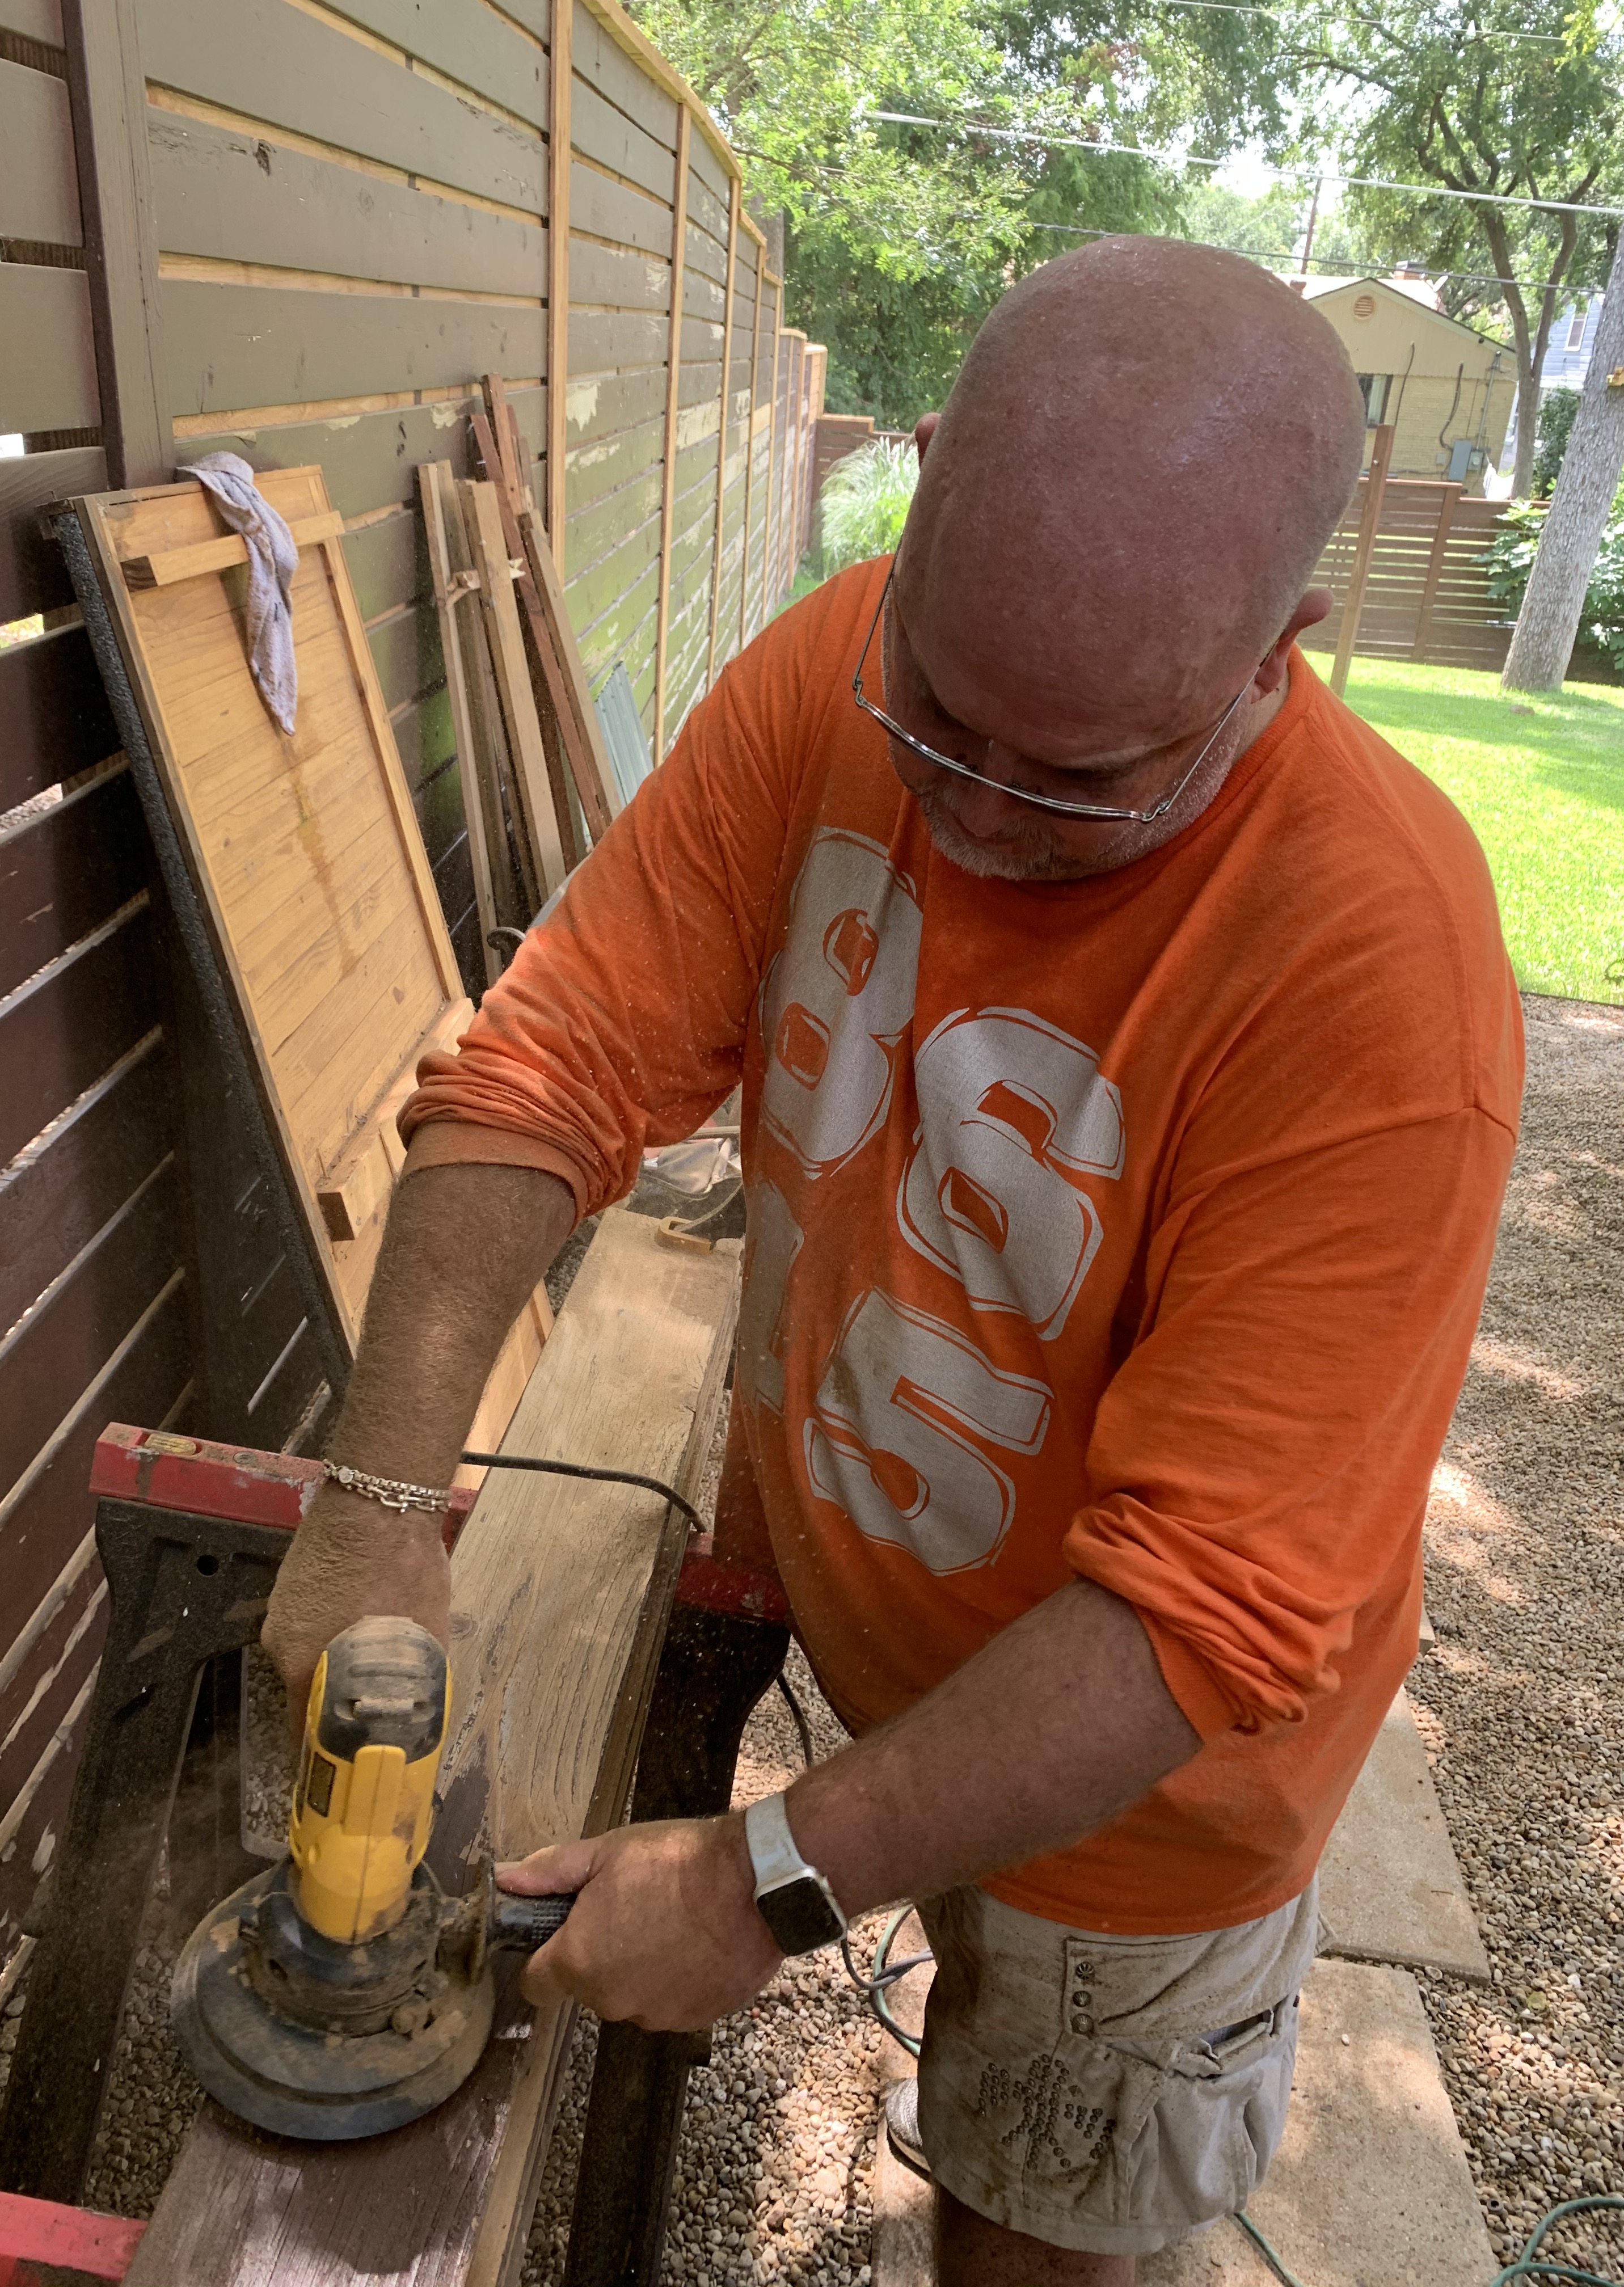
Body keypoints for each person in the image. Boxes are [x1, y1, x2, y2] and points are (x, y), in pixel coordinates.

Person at [261, 236, 1522, 2283]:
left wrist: (762, 1882)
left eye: (1092, 777)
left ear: (1284, 640)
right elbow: (557, 1057)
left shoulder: (1380, 975)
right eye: (948, 718)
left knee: (1030, 2247)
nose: (984, 815)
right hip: (904, 1628)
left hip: (1149, 1821)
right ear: (916, 492)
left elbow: (1200, 1620)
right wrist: (383, 1493)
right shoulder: (837, 659)